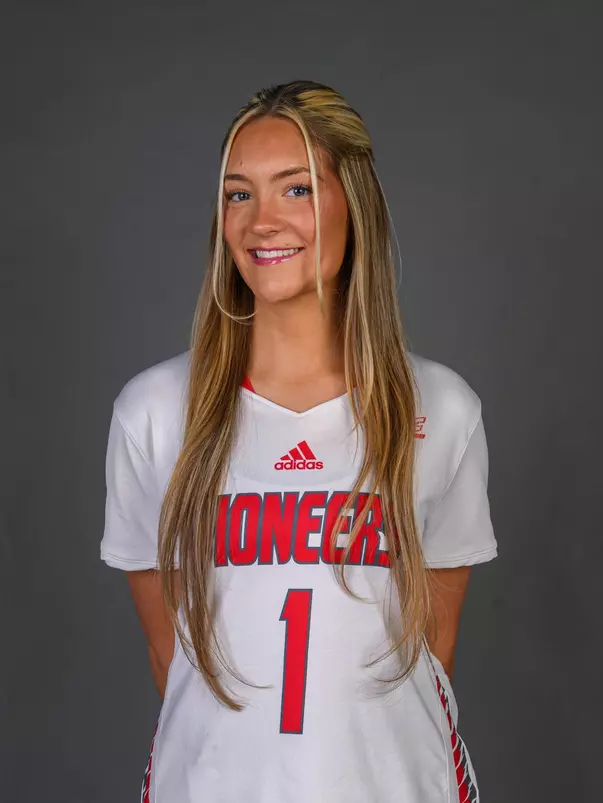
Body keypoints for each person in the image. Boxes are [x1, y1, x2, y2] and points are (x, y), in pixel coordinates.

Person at [101, 80, 497, 803]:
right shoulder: (154, 412)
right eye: (237, 194)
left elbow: (430, 651)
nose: (261, 222)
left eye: (296, 189)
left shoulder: (438, 408)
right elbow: (173, 653)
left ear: (354, 204)